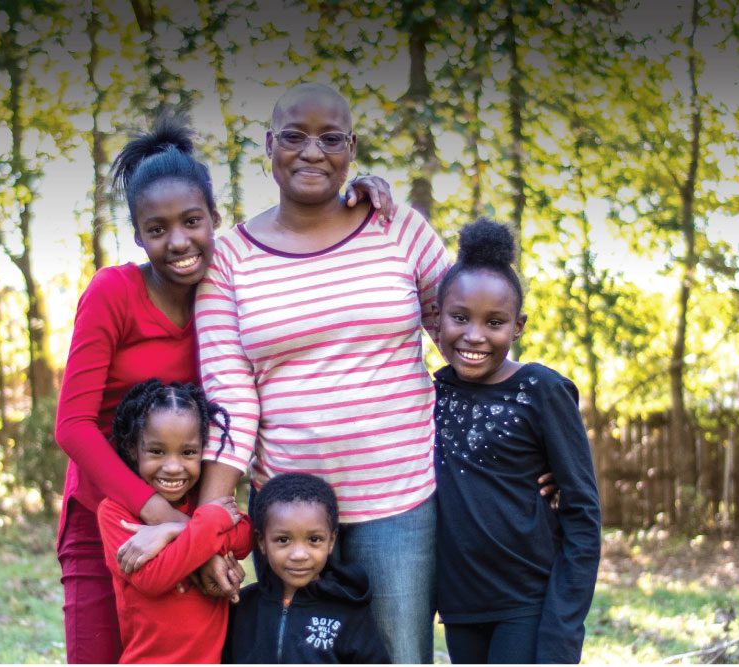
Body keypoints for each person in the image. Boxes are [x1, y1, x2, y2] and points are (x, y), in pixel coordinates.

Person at [53, 111, 393, 664]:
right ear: (138, 236)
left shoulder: (232, 282)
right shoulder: (112, 292)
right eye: (157, 230)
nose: (178, 241)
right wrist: (170, 526)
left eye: (192, 221)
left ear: (214, 218)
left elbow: (305, 252)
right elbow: (72, 426)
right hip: (109, 513)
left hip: (194, 512)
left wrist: (357, 196)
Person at [194, 82, 447, 663]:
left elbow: (467, 336)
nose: (312, 151)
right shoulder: (229, 259)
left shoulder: (396, 227)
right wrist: (214, 523)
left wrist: (529, 445)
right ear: (268, 145)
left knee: (400, 657)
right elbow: (229, 398)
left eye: (330, 138)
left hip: (401, 503)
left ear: (351, 148)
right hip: (287, 517)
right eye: (294, 136)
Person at [430, 218, 602, 664]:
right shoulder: (428, 392)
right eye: (460, 317)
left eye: (495, 322)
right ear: (437, 316)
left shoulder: (541, 390)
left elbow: (583, 513)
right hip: (462, 608)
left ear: (518, 326)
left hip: (528, 603)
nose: (474, 336)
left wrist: (563, 628)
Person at [97, 379, 252, 663]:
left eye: (188, 452)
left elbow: (244, 536)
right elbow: (152, 578)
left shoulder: (204, 501)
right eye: (157, 451)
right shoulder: (115, 513)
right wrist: (206, 525)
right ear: (133, 449)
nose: (172, 467)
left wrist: (174, 528)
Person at [223, 473, 390, 664]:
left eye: (314, 540)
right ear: (261, 542)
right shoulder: (242, 607)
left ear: (331, 541)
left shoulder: (349, 611)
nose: (299, 554)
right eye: (283, 540)